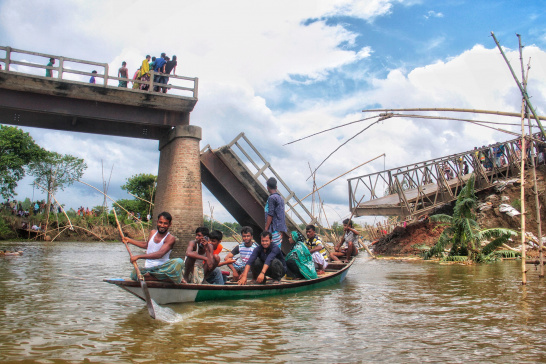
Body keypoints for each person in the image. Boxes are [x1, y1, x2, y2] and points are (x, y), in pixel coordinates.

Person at [122, 211, 185, 283]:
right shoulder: (152, 232)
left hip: (163, 269)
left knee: (179, 261)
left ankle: (155, 277)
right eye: (160, 222)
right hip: (149, 268)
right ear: (157, 222)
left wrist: (138, 256)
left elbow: (159, 254)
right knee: (134, 274)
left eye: (165, 223)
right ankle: (165, 279)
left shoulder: (170, 238)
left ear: (169, 225)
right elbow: (146, 245)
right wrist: (129, 240)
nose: (162, 225)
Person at [264, 177, 287, 250]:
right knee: (277, 248)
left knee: (272, 249)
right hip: (279, 228)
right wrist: (282, 229)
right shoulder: (280, 198)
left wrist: (266, 228)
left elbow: (270, 214)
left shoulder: (272, 198)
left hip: (273, 228)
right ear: (276, 187)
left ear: (267, 187)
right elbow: (281, 215)